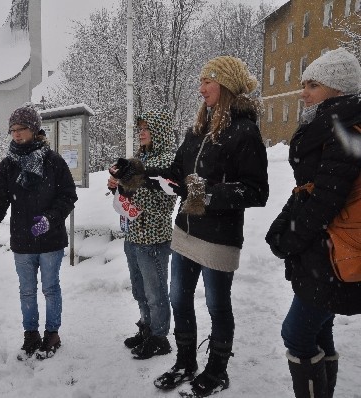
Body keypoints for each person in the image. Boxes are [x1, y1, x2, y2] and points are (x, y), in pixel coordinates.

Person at [150, 56, 269, 396]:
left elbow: (256, 191)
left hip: (219, 238)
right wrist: (137, 175)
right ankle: (186, 362)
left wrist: (209, 194)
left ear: (226, 85)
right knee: (179, 299)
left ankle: (217, 370)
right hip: (186, 231)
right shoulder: (196, 130)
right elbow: (175, 174)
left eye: (208, 82)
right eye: (201, 82)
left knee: (218, 306)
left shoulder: (245, 131)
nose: (201, 88)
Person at [265, 48, 361, 398]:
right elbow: (314, 190)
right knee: (320, 329)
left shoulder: (345, 128)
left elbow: (325, 200)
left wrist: (288, 237)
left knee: (297, 334)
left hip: (333, 251)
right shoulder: (333, 124)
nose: (303, 92)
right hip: (325, 250)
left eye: (313, 84)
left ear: (338, 88)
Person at [0, 104, 78, 360]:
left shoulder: (53, 161)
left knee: (50, 288)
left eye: (22, 128)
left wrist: (50, 219)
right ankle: (30, 335)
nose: (16, 134)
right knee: (26, 290)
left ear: (35, 129)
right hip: (23, 241)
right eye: (12, 130)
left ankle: (52, 333)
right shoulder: (7, 166)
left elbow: (68, 196)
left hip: (50, 241)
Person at [107, 110, 177, 359]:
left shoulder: (168, 161)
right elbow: (132, 192)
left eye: (147, 127)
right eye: (140, 128)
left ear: (159, 130)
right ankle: (147, 328)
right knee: (139, 289)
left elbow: (159, 201)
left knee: (155, 292)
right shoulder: (138, 158)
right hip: (134, 235)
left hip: (155, 238)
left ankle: (160, 337)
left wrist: (132, 183)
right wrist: (117, 185)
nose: (142, 132)